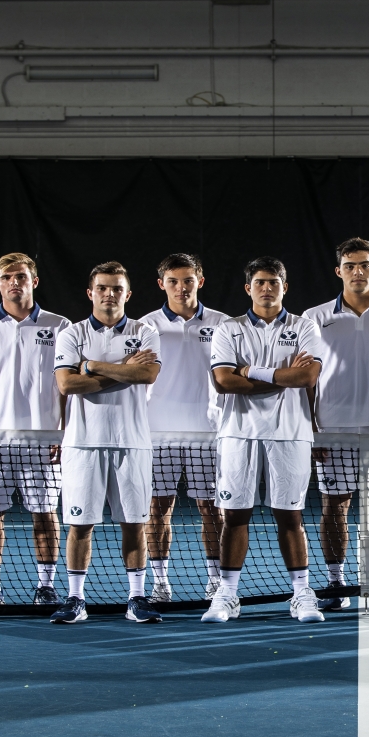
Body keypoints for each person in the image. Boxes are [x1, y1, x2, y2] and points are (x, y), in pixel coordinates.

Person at [203, 257, 326, 624]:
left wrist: (251, 372)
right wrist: (283, 376)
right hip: (238, 433)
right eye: (260, 282)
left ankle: (302, 592)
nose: (267, 288)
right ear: (248, 288)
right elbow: (224, 381)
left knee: (290, 515)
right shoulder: (229, 328)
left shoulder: (306, 327)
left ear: (284, 287)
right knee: (234, 516)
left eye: (274, 282)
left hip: (290, 432)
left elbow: (308, 378)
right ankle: (226, 594)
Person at [48, 262, 163, 625]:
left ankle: (137, 598)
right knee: (80, 526)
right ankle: (76, 599)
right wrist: (122, 370)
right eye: (102, 288)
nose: (109, 294)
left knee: (134, 522)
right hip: (82, 444)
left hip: (132, 443)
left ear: (127, 294)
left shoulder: (146, 331)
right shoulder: (71, 333)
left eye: (116, 288)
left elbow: (146, 374)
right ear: (90, 293)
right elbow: (67, 385)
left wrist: (93, 365)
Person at [304, 238, 369, 611]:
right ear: (338, 271)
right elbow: (306, 381)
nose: (357, 271)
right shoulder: (314, 317)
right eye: (350, 265)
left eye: (364, 265)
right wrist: (311, 428)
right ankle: (336, 583)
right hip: (333, 431)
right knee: (335, 506)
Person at [0, 253, 71, 606]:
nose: (15, 282)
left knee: (45, 514)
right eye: (7, 277)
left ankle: (46, 586)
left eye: (21, 276)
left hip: (45, 442)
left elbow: (67, 387)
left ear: (34, 281)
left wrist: (65, 433)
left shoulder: (60, 326)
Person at [139, 253, 229, 603]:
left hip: (207, 434)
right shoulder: (144, 326)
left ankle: (216, 581)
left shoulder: (224, 324)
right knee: (157, 509)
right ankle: (160, 583)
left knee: (213, 510)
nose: (181, 288)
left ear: (200, 282)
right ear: (162, 284)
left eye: (188, 280)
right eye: (173, 281)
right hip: (157, 434)